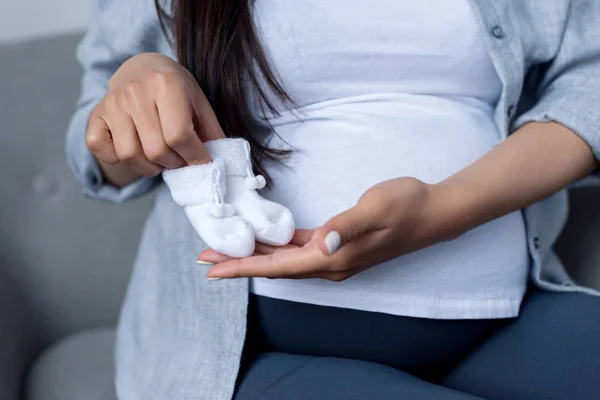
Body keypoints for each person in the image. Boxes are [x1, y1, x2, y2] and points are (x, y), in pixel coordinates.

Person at [66, 0, 600, 399]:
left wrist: (446, 209)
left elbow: (590, 80)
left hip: (505, 318)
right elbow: (97, 158)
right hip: (255, 356)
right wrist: (134, 88)